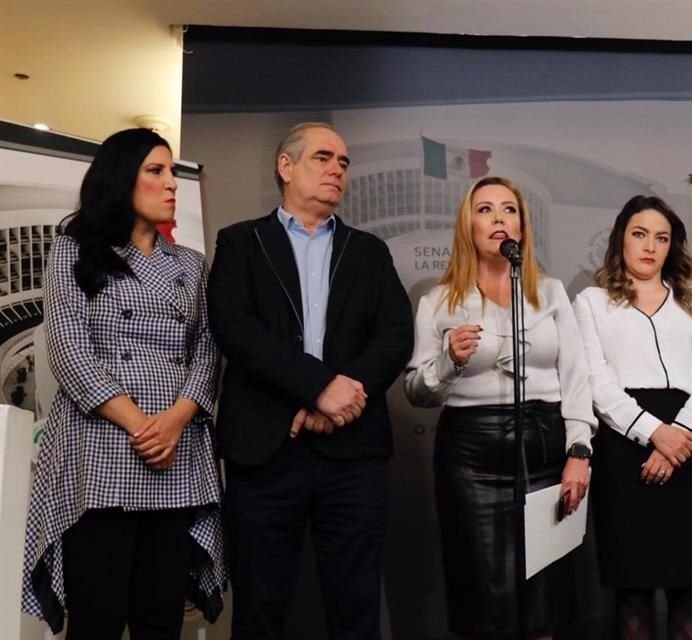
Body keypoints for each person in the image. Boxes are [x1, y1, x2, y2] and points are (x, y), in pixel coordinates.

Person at [207, 122, 413, 639]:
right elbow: (235, 329)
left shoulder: (369, 251)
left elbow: (395, 335)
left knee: (356, 605)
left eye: (343, 162)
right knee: (259, 605)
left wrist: (340, 397)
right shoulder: (240, 242)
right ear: (286, 166)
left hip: (353, 453)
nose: (336, 169)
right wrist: (317, 388)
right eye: (323, 158)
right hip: (266, 449)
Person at [20, 128, 226, 638]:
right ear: (120, 178)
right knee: (97, 618)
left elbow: (207, 350)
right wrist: (141, 426)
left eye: (173, 171)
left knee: (161, 620)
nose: (171, 183)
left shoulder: (191, 265)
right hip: (102, 448)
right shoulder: (73, 251)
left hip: (177, 451)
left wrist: (175, 421)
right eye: (156, 171)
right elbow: (69, 351)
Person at [404, 176, 596, 638]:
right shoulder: (438, 301)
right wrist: (449, 361)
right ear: (467, 225)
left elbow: (576, 377)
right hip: (471, 458)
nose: (498, 219)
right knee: (485, 602)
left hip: (545, 449)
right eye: (485, 209)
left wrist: (579, 451)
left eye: (509, 210)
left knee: (543, 600)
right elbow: (416, 391)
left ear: (522, 227)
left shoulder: (550, 292)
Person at [573, 195, 692, 640]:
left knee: (689, 587)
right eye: (640, 234)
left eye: (661, 237)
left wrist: (680, 435)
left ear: (672, 246)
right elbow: (596, 381)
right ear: (621, 238)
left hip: (690, 444)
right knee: (632, 590)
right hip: (624, 447)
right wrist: (654, 432)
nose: (650, 246)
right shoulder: (592, 302)